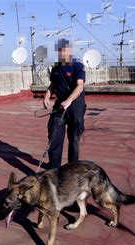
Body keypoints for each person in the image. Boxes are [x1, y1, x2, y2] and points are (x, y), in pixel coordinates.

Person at [43, 38, 86, 169]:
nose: (62, 53)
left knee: (74, 139)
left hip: (75, 106)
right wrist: (47, 96)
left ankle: (72, 169)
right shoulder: (56, 68)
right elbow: (52, 85)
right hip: (60, 106)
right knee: (54, 135)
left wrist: (69, 100)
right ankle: (54, 169)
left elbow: (80, 86)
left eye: (65, 50)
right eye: (60, 50)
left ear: (69, 50)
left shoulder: (77, 66)